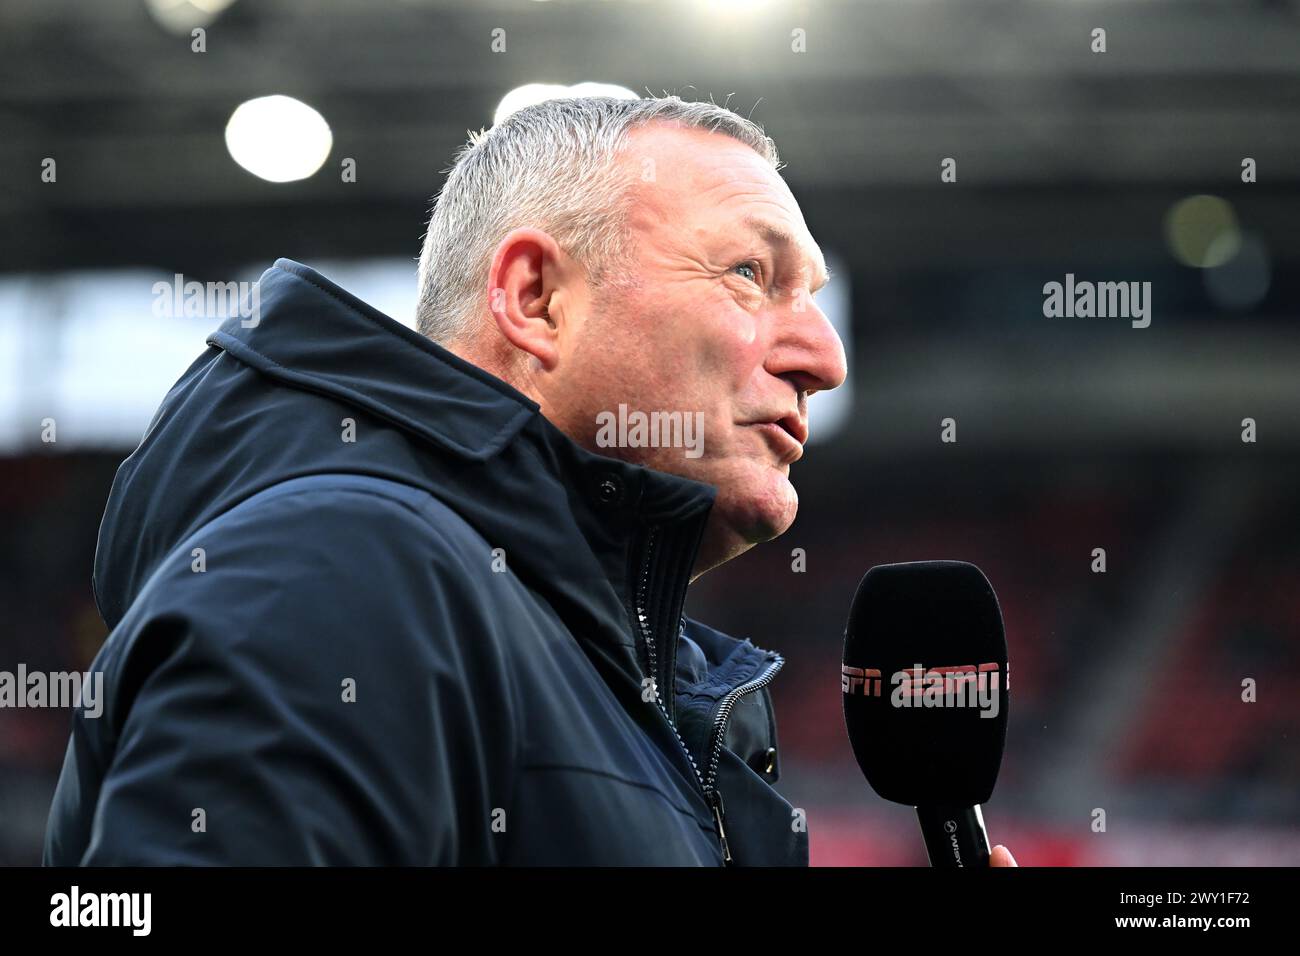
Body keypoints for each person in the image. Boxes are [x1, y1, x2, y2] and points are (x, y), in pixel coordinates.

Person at [44, 94, 1015, 866]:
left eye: (811, 294)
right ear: (536, 299)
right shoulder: (343, 571)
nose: (824, 354)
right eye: (750, 273)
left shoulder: (573, 651)